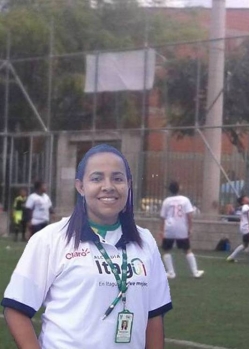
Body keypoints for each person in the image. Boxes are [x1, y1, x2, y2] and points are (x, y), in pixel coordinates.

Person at [2, 144, 172, 348]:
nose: (108, 186)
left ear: (128, 185)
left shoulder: (146, 242)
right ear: (80, 186)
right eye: (96, 178)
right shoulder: (51, 239)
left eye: (117, 178)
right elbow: (17, 309)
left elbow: (154, 317)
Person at [160, 181, 204, 279]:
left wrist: (161, 231)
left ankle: (171, 273)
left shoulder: (166, 201)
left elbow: (162, 217)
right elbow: (189, 215)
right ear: (179, 189)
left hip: (169, 228)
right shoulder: (185, 200)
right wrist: (190, 228)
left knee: (166, 250)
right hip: (182, 228)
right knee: (187, 249)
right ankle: (195, 272)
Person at [226, 195, 249, 264]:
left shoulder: (247, 207)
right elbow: (244, 210)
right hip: (247, 228)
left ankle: (231, 257)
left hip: (245, 228)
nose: (248, 198)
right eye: (246, 198)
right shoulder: (245, 206)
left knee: (245, 245)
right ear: (243, 201)